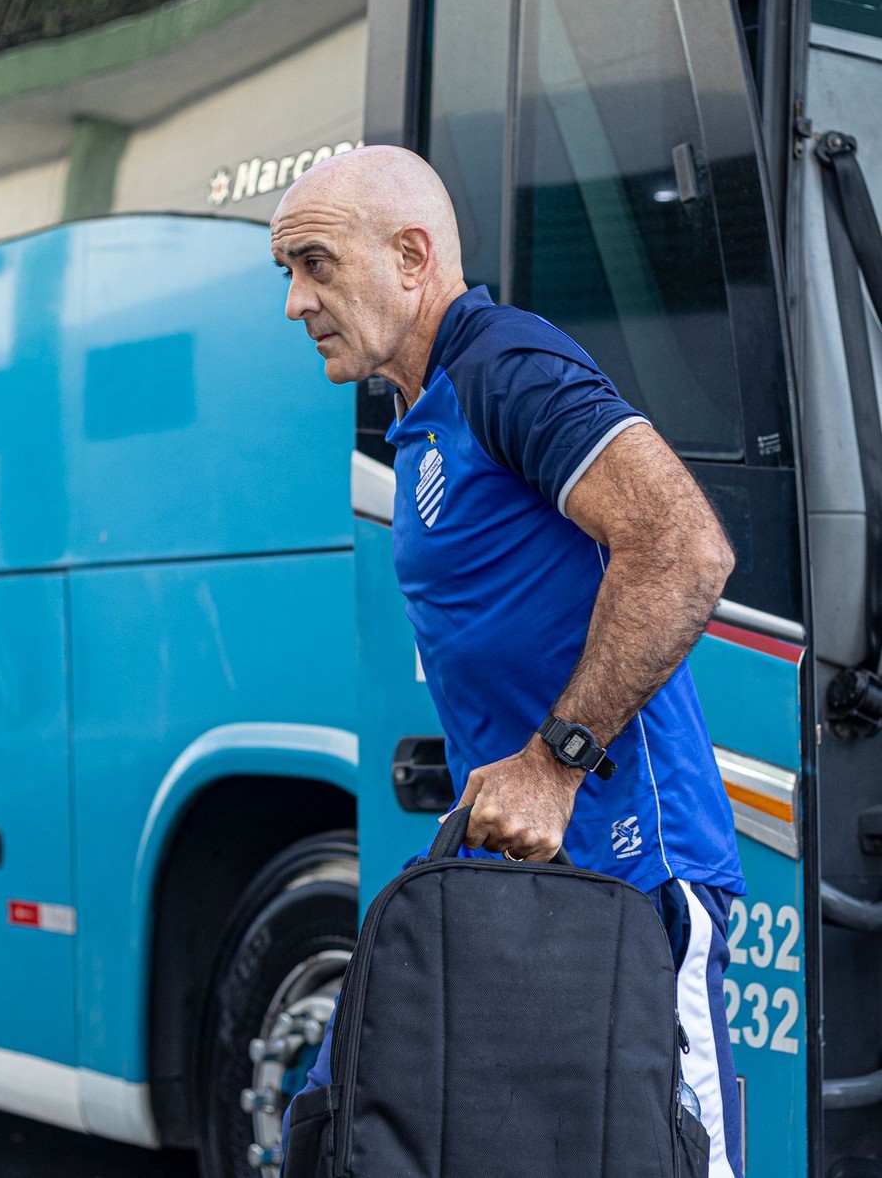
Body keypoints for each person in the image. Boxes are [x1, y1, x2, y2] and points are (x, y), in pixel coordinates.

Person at [270, 145, 744, 1178]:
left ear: (410, 255)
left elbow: (682, 549)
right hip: (516, 883)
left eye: (314, 264)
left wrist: (555, 760)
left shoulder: (506, 367)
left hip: (631, 876)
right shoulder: (426, 410)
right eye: (289, 274)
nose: (297, 302)